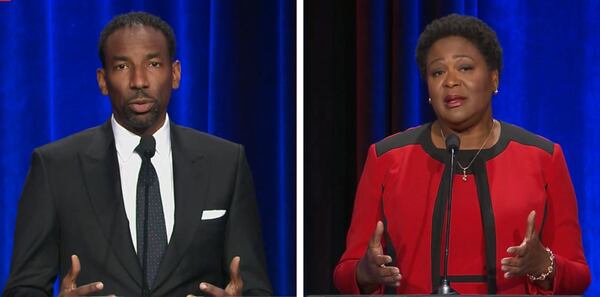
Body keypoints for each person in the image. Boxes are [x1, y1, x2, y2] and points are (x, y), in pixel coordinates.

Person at [3, 12, 272, 297]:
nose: (139, 81)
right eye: (122, 67)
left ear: (176, 74)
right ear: (103, 81)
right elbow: (24, 287)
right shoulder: (56, 167)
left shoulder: (225, 163)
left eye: (154, 64)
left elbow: (255, 286)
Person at [334, 14, 590, 295]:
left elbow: (578, 276)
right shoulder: (386, 158)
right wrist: (365, 273)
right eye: (437, 72)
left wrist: (545, 265)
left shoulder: (543, 158)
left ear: (494, 78)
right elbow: (346, 272)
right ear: (428, 89)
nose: (450, 81)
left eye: (465, 68)